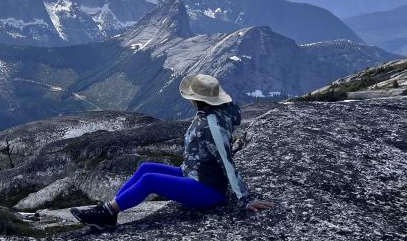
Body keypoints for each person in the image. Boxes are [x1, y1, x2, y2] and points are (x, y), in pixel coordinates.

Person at [70, 73, 274, 229]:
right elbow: (235, 115)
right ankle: (109, 211)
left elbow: (226, 161)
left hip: (208, 189)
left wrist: (246, 199)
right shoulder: (222, 110)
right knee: (146, 168)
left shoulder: (211, 125)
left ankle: (107, 214)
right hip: (193, 173)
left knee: (150, 181)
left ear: (196, 99)